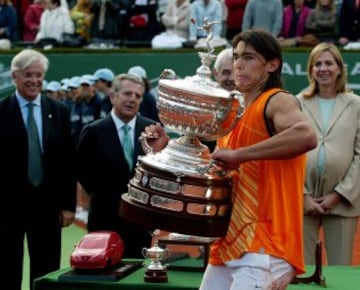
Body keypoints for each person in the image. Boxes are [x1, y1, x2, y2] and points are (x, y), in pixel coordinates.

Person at [142, 28, 317, 289]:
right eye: (236, 57)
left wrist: (239, 155)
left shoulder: (277, 99)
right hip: (230, 242)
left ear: (272, 64)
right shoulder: (234, 114)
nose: (238, 64)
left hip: (265, 243)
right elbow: (219, 167)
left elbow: (306, 136)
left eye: (248, 57)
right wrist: (167, 150)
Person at [0, 49, 77, 290]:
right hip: (7, 205)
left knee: (46, 268)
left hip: (48, 204)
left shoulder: (60, 111)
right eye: (28, 75)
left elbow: (67, 161)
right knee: (6, 267)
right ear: (15, 77)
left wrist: (67, 205)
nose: (34, 80)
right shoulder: (1, 111)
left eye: (39, 75)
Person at [76, 73, 156, 258]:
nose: (132, 100)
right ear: (112, 96)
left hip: (140, 221)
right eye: (127, 94)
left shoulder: (152, 130)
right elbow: (82, 171)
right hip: (104, 218)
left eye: (137, 96)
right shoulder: (93, 132)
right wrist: (105, 194)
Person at [297, 43, 360, 265]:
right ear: (311, 70)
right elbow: (289, 153)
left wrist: (339, 194)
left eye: (329, 63)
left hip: (343, 202)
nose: (323, 69)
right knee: (300, 271)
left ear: (340, 69)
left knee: (340, 270)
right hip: (302, 202)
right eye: (318, 64)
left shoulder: (356, 105)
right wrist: (303, 195)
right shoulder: (298, 103)